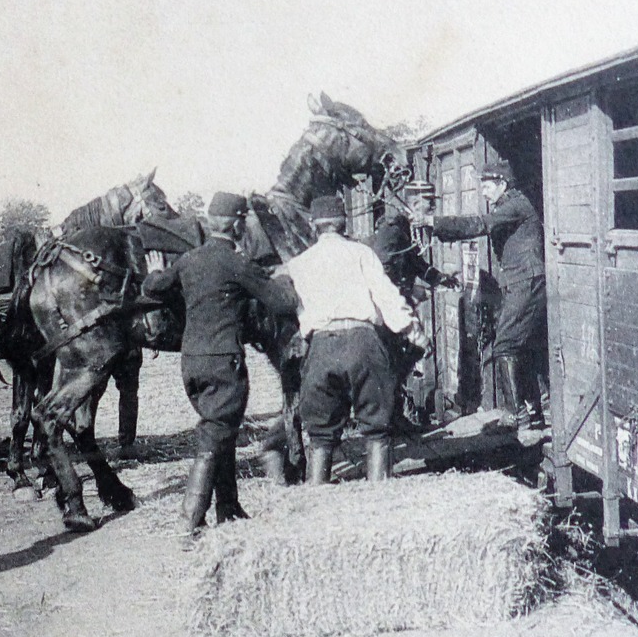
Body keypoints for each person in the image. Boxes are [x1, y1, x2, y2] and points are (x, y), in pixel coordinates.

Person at [142, 192, 297, 545]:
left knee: (221, 430)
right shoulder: (237, 262)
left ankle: (228, 507)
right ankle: (188, 522)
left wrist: (153, 273)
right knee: (214, 435)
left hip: (191, 363)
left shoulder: (188, 260)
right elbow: (283, 303)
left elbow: (154, 287)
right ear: (240, 223)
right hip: (223, 363)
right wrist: (285, 276)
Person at [284, 195, 429, 485]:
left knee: (321, 433)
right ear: (344, 223)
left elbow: (297, 308)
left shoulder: (299, 263)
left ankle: (318, 494)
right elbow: (387, 297)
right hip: (364, 343)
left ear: (314, 226)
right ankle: (377, 493)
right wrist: (414, 332)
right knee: (377, 427)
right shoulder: (362, 253)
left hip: (322, 346)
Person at [413, 157, 545, 431]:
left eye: (487, 186)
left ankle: (516, 414)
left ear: (502, 184)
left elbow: (481, 225)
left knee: (505, 346)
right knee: (518, 347)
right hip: (522, 282)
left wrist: (433, 222)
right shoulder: (511, 204)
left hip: (528, 282)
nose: (483, 192)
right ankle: (532, 413)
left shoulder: (515, 205)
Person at [369, 180, 454, 430]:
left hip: (397, 303)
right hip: (389, 308)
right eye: (428, 207)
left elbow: (414, 261)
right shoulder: (392, 229)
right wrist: (404, 293)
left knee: (402, 357)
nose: (431, 212)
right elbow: (381, 271)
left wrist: (440, 278)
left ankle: (394, 416)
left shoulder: (404, 227)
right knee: (401, 355)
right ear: (414, 204)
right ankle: (390, 418)